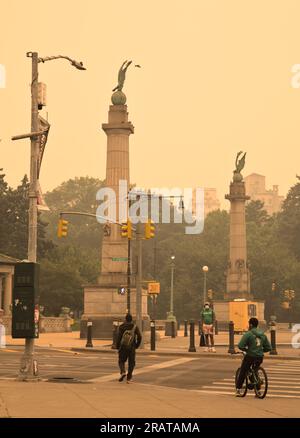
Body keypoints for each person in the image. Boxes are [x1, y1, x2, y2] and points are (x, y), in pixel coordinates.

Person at [235, 317, 271, 397]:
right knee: (255, 371)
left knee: (243, 371)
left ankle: (238, 388)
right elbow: (268, 348)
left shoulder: (248, 334)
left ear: (250, 324)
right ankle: (258, 390)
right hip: (260, 357)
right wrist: (260, 350)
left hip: (250, 356)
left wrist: (246, 350)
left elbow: (240, 345)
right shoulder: (262, 334)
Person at [116, 313, 142, 384]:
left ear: (125, 319)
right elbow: (140, 336)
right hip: (131, 347)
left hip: (123, 347)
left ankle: (123, 372)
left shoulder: (121, 326)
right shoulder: (134, 327)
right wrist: (136, 345)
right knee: (131, 363)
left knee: (121, 361)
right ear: (131, 319)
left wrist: (117, 346)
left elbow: (118, 337)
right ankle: (129, 378)